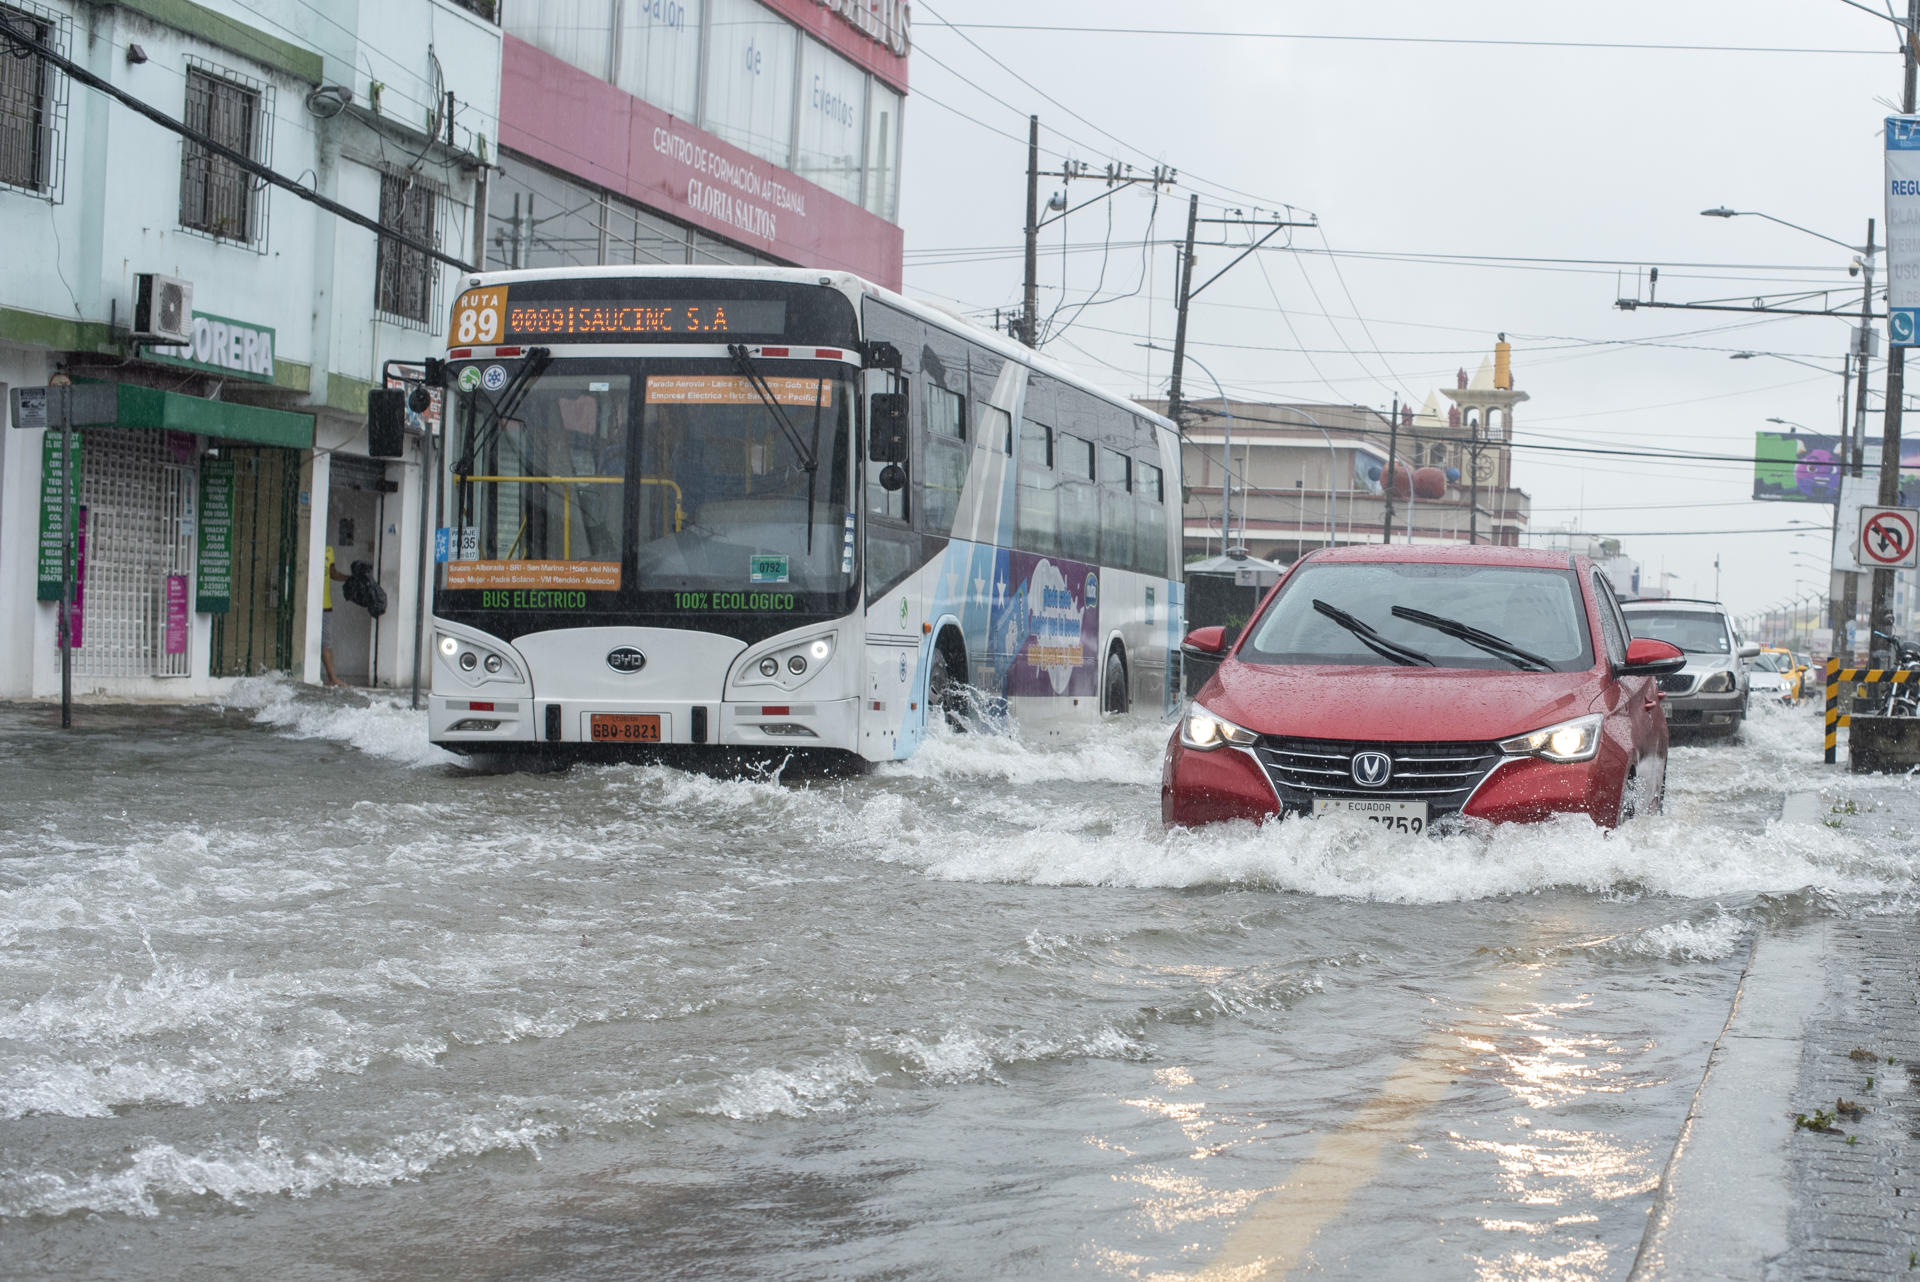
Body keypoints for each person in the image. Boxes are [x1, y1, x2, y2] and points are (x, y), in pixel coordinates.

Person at [321, 544, 350, 687]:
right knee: (323, 642)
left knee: (326, 642)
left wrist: (349, 578)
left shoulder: (329, 550)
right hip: (314, 605)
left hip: (326, 604)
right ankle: (332, 678)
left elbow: (333, 573)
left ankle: (332, 678)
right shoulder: (312, 545)